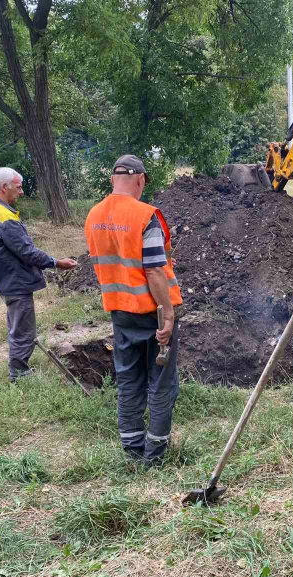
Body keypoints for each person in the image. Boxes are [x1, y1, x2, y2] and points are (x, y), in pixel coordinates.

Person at [83, 155, 183, 467]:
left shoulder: (94, 216)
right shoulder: (144, 215)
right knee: (161, 380)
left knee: (128, 380)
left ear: (114, 179)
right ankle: (155, 454)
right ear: (139, 179)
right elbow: (154, 270)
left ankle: (132, 449)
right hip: (151, 312)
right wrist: (167, 313)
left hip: (119, 311)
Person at [0, 167, 77, 383]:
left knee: (17, 323)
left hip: (2, 277)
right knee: (23, 329)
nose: (21, 192)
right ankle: (20, 374)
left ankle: (18, 368)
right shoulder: (5, 218)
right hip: (15, 281)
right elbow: (28, 252)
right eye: (19, 187)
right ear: (5, 187)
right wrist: (56, 263)